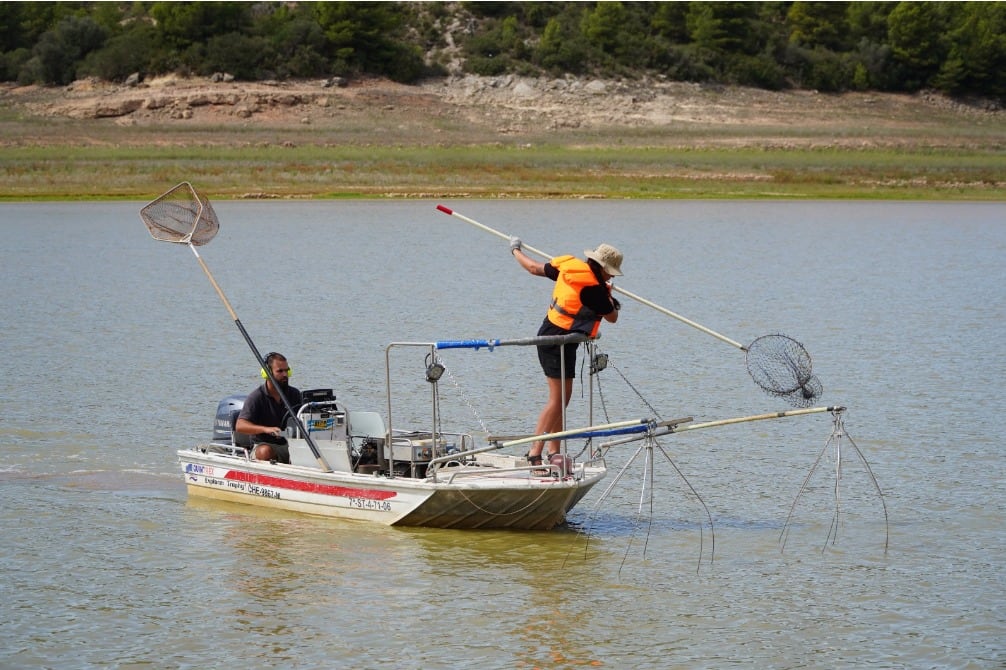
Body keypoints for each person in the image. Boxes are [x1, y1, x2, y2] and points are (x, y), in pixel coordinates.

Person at [510, 238, 623, 471]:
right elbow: (612, 317)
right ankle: (534, 453)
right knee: (558, 400)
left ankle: (554, 452)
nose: (610, 277)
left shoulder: (570, 270)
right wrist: (610, 296)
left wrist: (515, 249)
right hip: (554, 342)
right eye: (609, 273)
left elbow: (533, 267)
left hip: (561, 340)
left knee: (562, 399)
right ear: (601, 268)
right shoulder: (595, 291)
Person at [235, 351, 302, 463]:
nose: (285, 374)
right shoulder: (256, 397)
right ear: (267, 373)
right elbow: (240, 426)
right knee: (265, 451)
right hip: (264, 445)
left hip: (290, 445)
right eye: (280, 371)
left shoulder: (295, 394)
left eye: (287, 370)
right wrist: (266, 429)